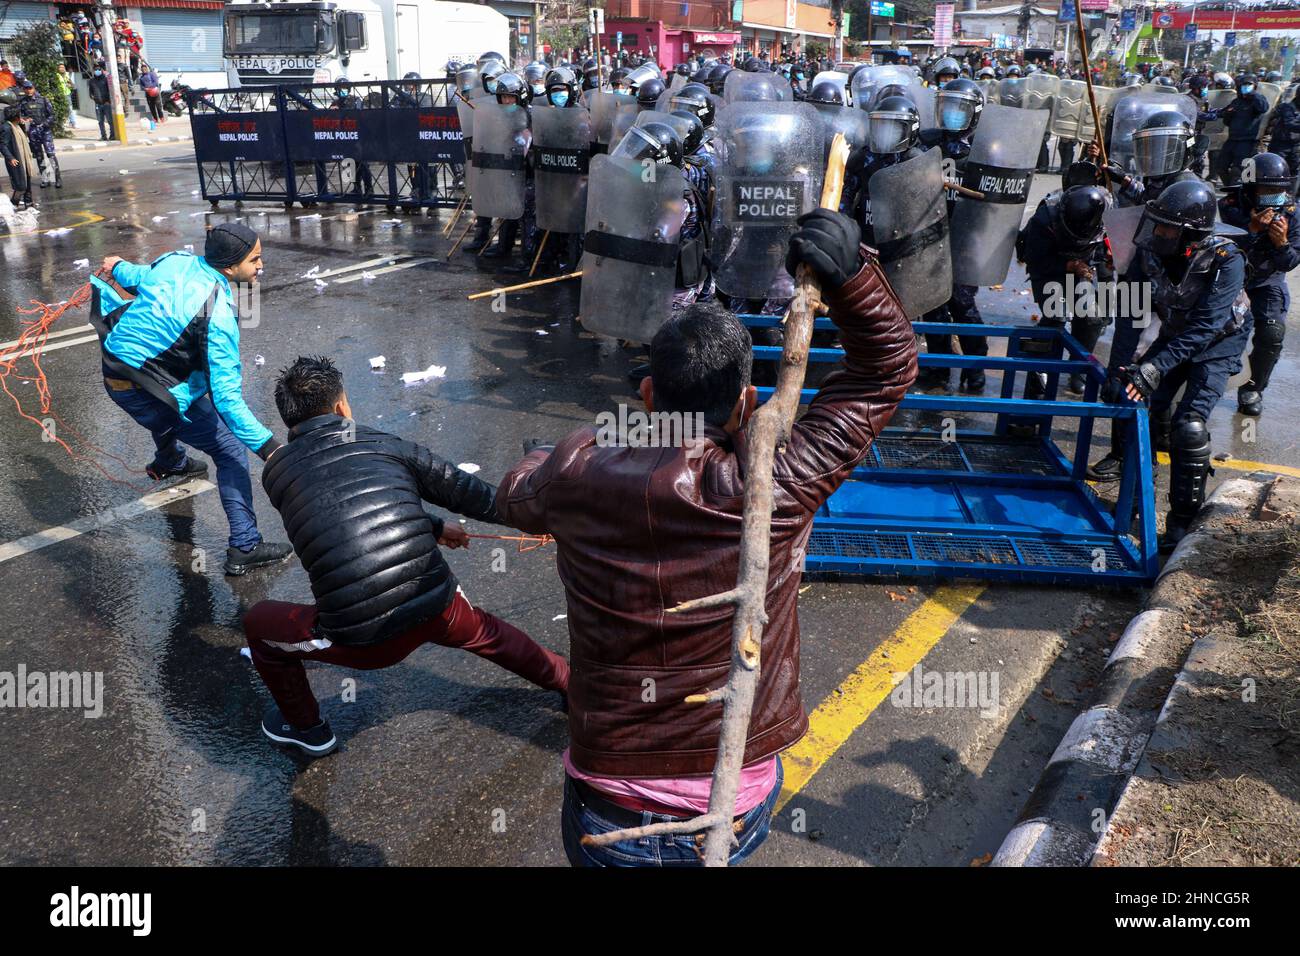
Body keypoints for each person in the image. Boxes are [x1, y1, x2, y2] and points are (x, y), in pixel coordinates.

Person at [496, 210, 916, 866]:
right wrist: (853, 278)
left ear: (645, 395)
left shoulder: (577, 470)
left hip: (608, 803)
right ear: (749, 403)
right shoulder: (776, 482)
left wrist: (551, 456)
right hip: (732, 800)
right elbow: (886, 370)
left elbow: (515, 494)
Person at [243, 356, 570, 757]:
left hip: (361, 640)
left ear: (288, 420)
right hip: (437, 607)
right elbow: (474, 495)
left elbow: (340, 506)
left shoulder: (276, 473)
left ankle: (307, 728)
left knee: (258, 624)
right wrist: (546, 522)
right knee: (488, 632)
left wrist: (434, 527)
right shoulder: (384, 443)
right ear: (342, 407)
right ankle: (571, 682)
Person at [91, 224, 291, 575]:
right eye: (255, 260)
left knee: (183, 398)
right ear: (229, 268)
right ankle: (245, 546)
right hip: (146, 392)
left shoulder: (176, 261)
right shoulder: (217, 313)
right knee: (228, 448)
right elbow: (227, 399)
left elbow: (136, 275)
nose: (261, 267)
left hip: (116, 370)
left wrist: (115, 264)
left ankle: (170, 461)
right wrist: (269, 448)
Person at [1098, 180, 1248, 551]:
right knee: (1133, 404)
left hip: (1219, 342)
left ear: (1190, 234)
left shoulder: (1226, 260)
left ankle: (1182, 521)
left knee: (1189, 427)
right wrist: (1120, 370)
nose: (1158, 231)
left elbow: (1206, 327)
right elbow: (1131, 314)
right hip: (1177, 331)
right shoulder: (1148, 252)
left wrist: (1156, 367)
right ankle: (1136, 500)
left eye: (1166, 226)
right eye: (1157, 223)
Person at [917, 77, 988, 392]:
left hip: (966, 240)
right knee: (932, 303)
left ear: (975, 112)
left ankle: (977, 365)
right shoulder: (926, 142)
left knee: (961, 302)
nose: (952, 114)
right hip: (931, 235)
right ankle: (939, 365)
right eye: (947, 106)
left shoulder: (986, 149)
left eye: (960, 108)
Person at [1218, 153, 1300, 417]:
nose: (1275, 196)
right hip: (1232, 279)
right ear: (1252, 189)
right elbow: (1221, 251)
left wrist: (1282, 244)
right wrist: (1251, 231)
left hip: (1267, 282)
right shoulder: (1231, 206)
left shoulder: (1293, 213)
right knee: (1212, 329)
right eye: (1268, 190)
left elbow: (1290, 262)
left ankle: (1253, 387)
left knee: (1273, 332)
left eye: (1279, 190)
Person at [1016, 185, 1113, 398]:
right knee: (1056, 314)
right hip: (1049, 267)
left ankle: (1079, 369)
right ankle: (1039, 372)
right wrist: (1067, 266)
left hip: (1083, 266)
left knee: (1092, 316)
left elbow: (1107, 254)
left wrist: (1107, 284)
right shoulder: (1045, 218)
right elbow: (1036, 260)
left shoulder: (1106, 211)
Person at [18, 80, 60, 188]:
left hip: (45, 131)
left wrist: (45, 123)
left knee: (50, 154)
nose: (28, 90)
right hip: (33, 131)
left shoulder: (43, 100)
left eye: (30, 88)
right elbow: (20, 116)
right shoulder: (23, 102)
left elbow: (52, 115)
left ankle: (57, 178)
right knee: (39, 156)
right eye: (26, 88)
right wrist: (25, 119)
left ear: (34, 88)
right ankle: (45, 179)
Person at [0, 104, 36, 209]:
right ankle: (13, 204)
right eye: (19, 114)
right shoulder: (6, 128)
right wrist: (10, 158)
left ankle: (29, 205)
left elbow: (24, 137)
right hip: (16, 160)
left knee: (27, 182)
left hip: (24, 159)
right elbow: (2, 145)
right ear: (15, 116)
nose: (21, 116)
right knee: (20, 186)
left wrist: (23, 124)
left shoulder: (17, 125)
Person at [88, 64, 113, 140]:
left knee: (110, 121)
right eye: (95, 70)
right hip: (98, 104)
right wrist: (94, 98)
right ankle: (103, 136)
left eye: (99, 69)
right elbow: (90, 92)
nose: (97, 71)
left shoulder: (106, 80)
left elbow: (110, 91)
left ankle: (112, 135)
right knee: (100, 121)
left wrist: (108, 101)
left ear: (101, 70)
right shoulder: (91, 81)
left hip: (106, 103)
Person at [55, 63, 76, 129]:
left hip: (67, 94)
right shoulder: (56, 76)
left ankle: (72, 123)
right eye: (60, 67)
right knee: (61, 109)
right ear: (58, 69)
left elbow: (72, 85)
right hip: (60, 95)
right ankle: (60, 124)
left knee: (69, 108)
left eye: (63, 67)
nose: (62, 68)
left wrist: (70, 85)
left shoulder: (67, 75)